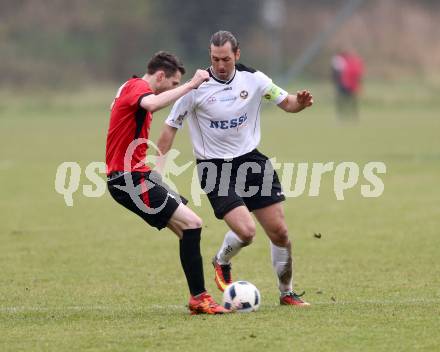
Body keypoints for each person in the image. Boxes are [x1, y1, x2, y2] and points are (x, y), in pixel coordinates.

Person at [156, 31, 313, 307]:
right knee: (247, 232)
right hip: (214, 169)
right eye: (215, 59)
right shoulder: (196, 88)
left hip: (252, 162)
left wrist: (299, 103)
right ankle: (221, 260)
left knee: (280, 232)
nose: (220, 65)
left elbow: (287, 102)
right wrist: (157, 167)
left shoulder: (254, 79)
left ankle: (286, 292)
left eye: (226, 59)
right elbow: (170, 128)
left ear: (237, 55)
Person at [105, 51, 229, 315]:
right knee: (193, 223)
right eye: (173, 83)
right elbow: (151, 104)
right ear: (161, 76)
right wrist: (191, 85)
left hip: (134, 177)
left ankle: (199, 296)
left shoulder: (129, 86)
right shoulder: (139, 88)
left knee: (188, 229)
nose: (175, 89)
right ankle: (200, 297)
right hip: (129, 179)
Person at [331, 50, 364, 120]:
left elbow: (357, 75)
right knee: (348, 101)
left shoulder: (349, 63)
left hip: (348, 85)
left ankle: (348, 115)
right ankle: (348, 115)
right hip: (347, 85)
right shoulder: (348, 63)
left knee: (347, 101)